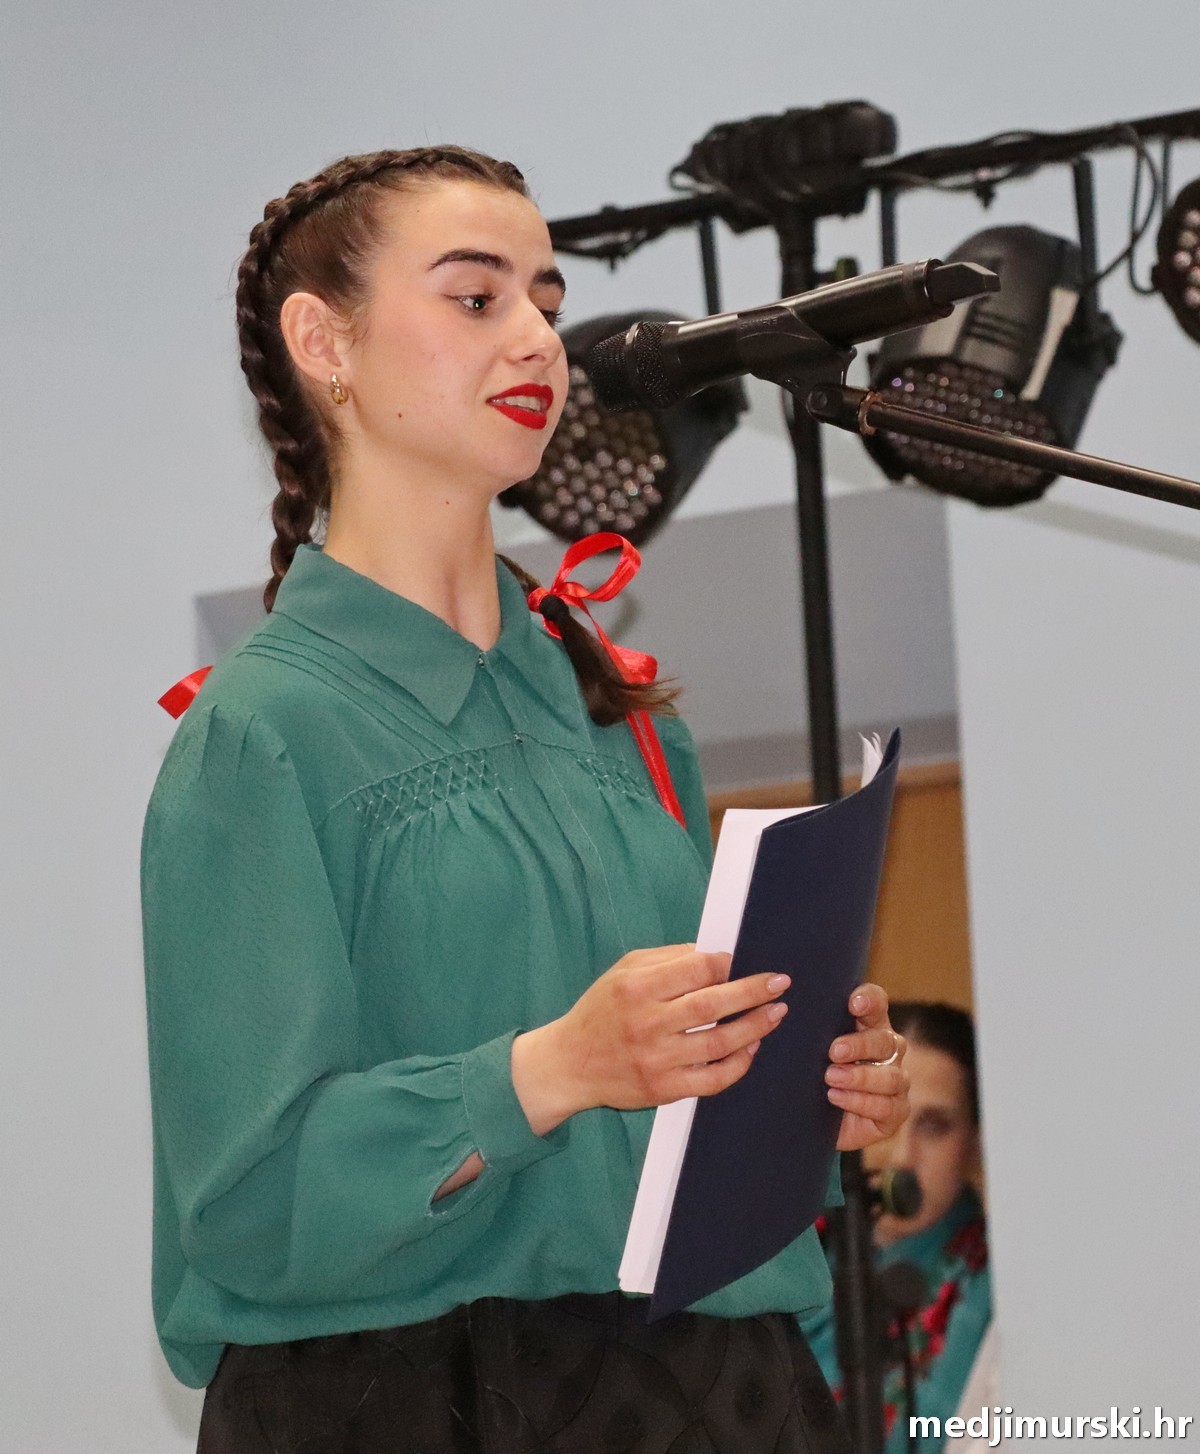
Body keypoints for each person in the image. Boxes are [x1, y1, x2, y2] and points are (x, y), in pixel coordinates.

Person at [141, 145, 911, 1454]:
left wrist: (803, 1084)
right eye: (476, 296)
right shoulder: (260, 732)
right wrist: (552, 1068)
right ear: (324, 343)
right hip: (417, 1393)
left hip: (726, 1381)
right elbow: (245, 1198)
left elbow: (677, 1114)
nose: (540, 339)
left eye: (548, 301)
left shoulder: (626, 713)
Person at [802, 1001, 990, 1454]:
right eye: (884, 1116)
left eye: (934, 1126)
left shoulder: (998, 1289)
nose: (902, 1156)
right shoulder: (788, 1257)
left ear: (972, 1141)